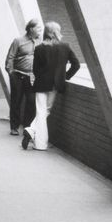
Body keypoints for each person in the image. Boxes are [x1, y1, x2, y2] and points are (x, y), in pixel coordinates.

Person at [21, 21, 80, 150]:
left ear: (46, 33)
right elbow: (76, 65)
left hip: (41, 84)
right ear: (57, 32)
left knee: (41, 111)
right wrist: (65, 77)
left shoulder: (39, 48)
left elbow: (35, 69)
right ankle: (36, 139)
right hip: (55, 85)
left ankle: (35, 137)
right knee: (45, 111)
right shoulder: (65, 46)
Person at [4, 18, 41, 140]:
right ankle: (14, 127)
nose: (40, 30)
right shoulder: (18, 41)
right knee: (16, 101)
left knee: (31, 102)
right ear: (31, 29)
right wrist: (11, 73)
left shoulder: (38, 42)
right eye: (38, 28)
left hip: (31, 77)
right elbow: (10, 58)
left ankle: (27, 127)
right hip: (18, 76)